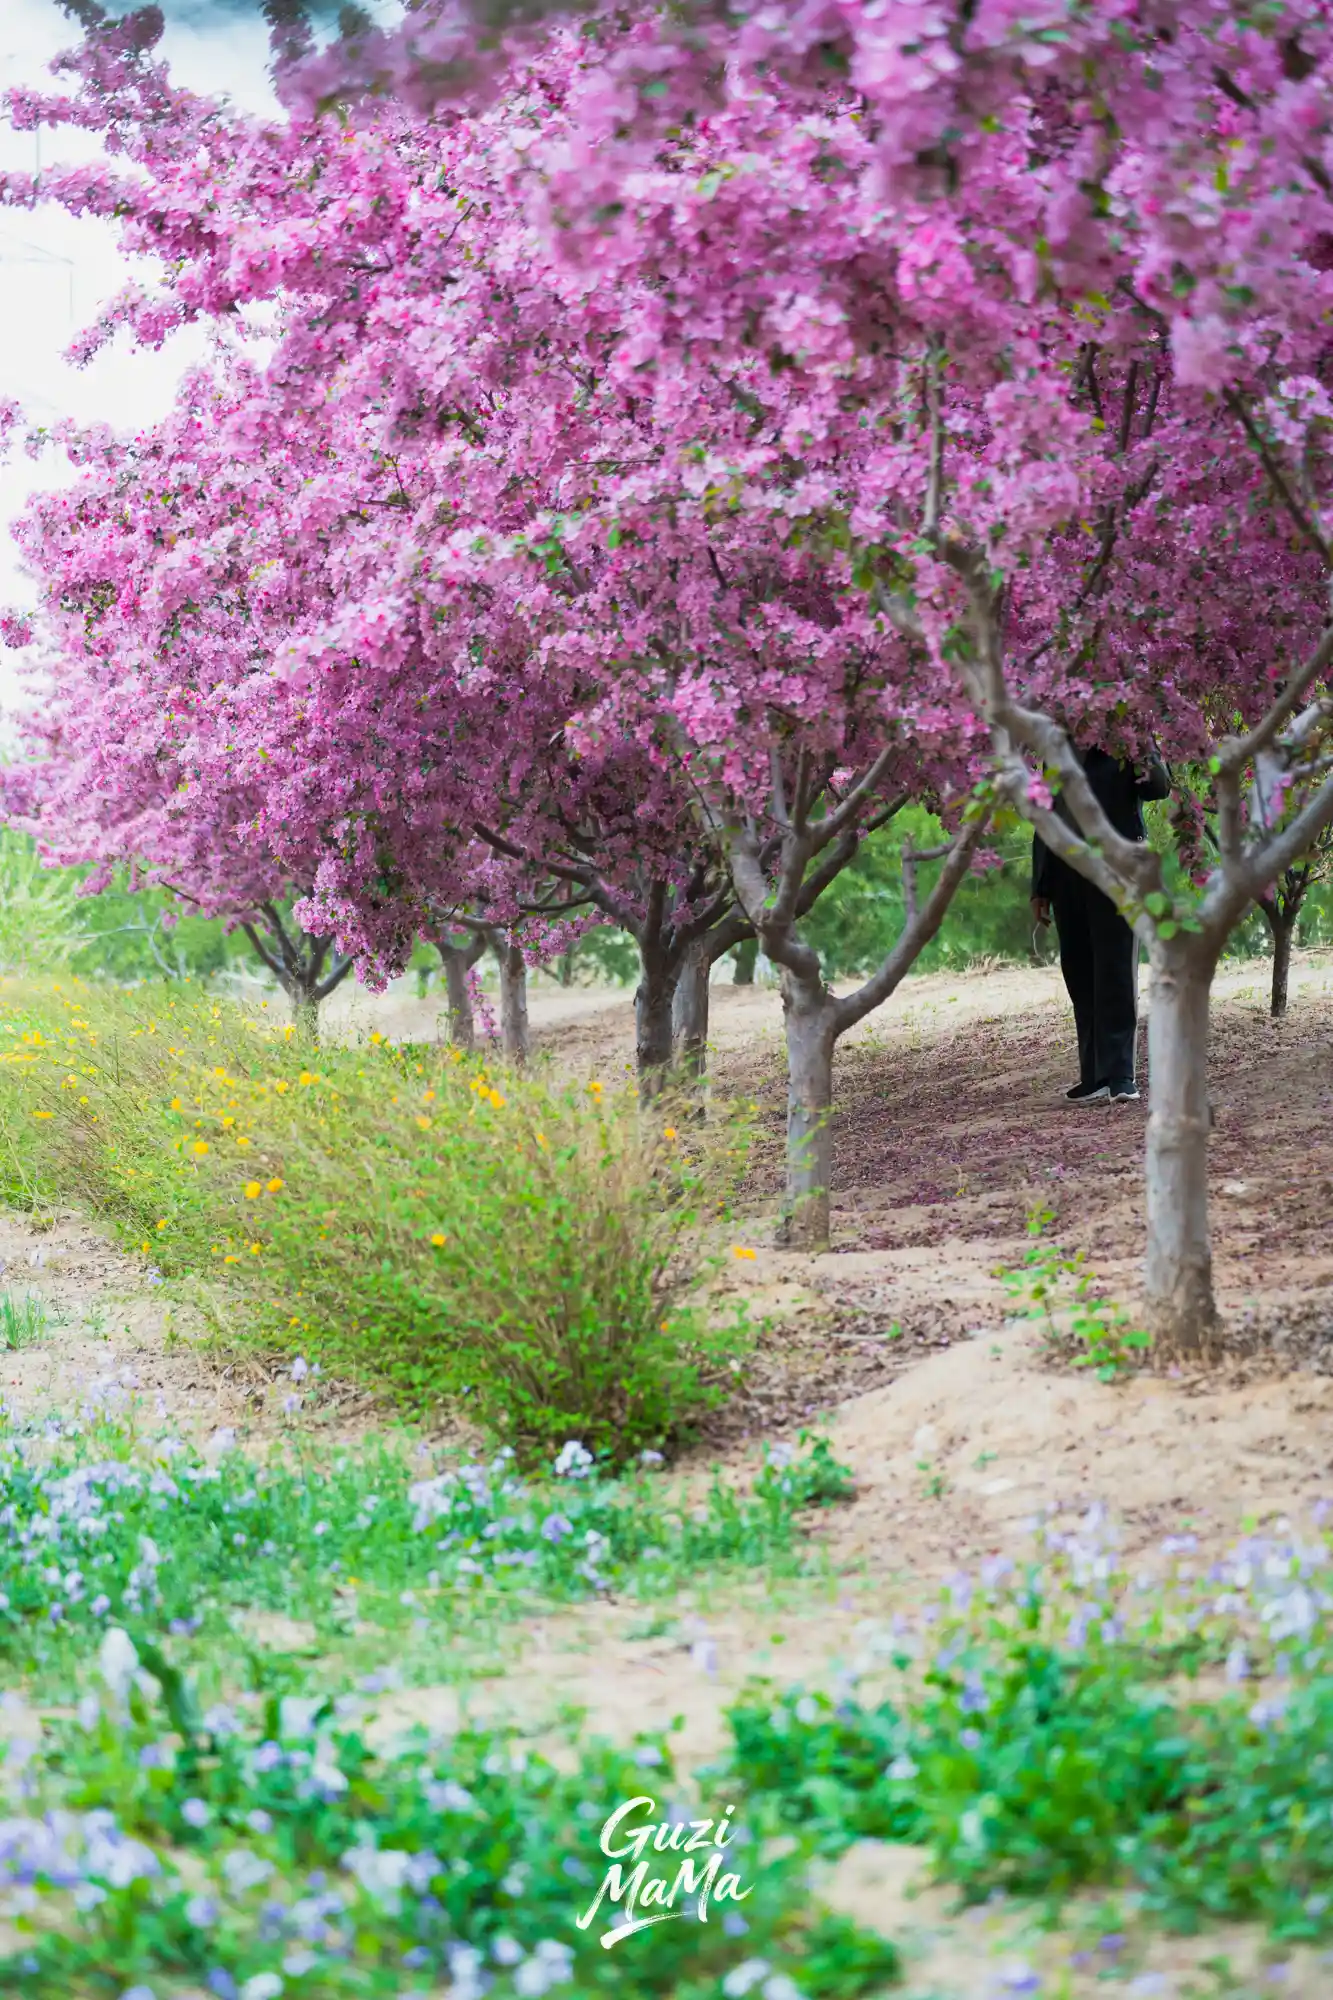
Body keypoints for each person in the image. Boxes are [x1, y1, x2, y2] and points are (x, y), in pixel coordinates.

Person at [1031, 744, 1171, 1105]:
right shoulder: (1057, 745)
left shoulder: (1123, 738)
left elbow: (1159, 788)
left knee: (1116, 967)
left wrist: (1138, 741)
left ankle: (1120, 1075)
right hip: (1067, 871)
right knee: (1079, 972)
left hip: (1117, 868)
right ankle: (1093, 1075)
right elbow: (1046, 815)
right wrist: (1040, 885)